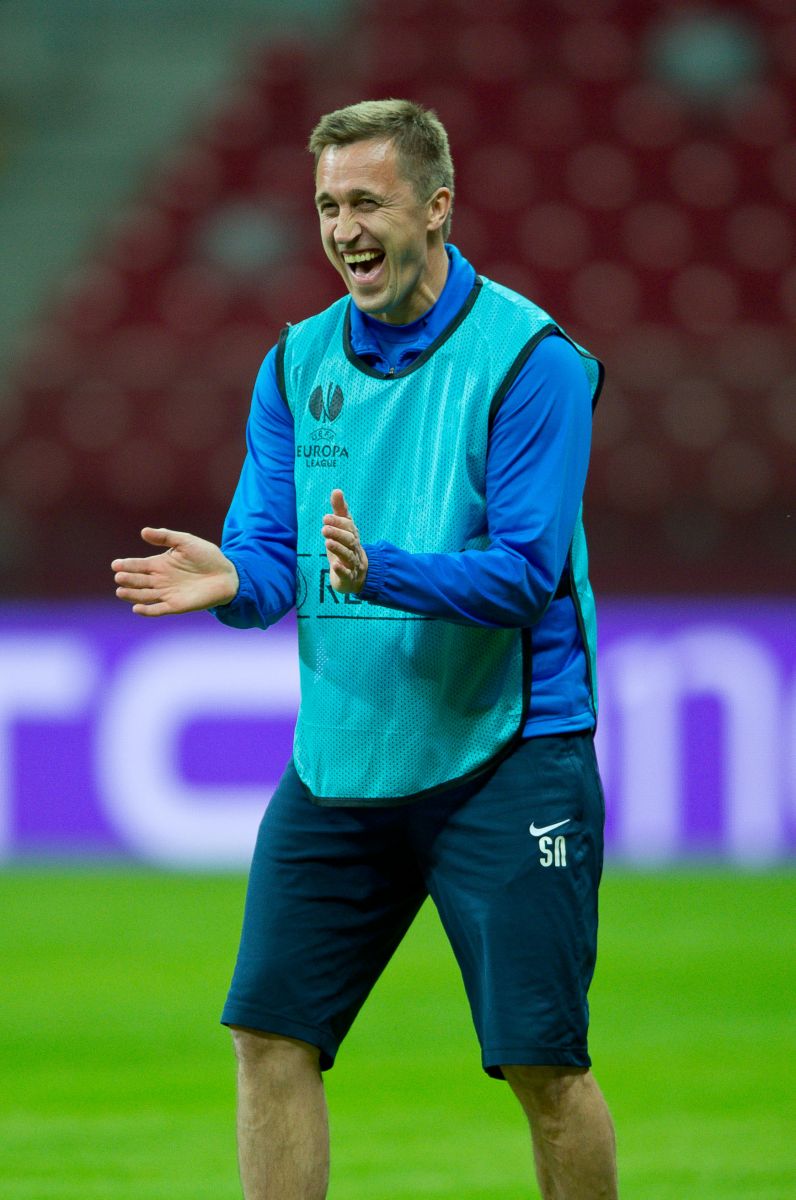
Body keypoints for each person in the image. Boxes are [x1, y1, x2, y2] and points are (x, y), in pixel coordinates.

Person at [112, 98, 618, 1200]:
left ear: (436, 207)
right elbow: (268, 555)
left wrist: (376, 569)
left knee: (544, 1063)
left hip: (507, 753)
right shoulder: (295, 364)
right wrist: (236, 582)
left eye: (367, 203)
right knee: (268, 1036)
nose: (343, 230)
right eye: (327, 206)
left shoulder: (532, 361)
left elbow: (528, 574)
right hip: (344, 759)